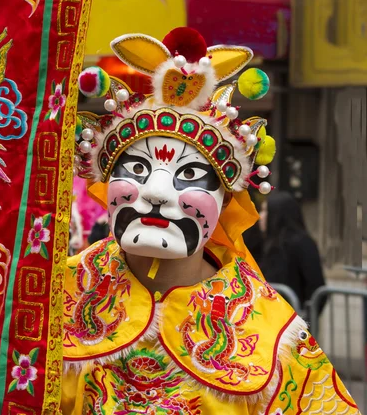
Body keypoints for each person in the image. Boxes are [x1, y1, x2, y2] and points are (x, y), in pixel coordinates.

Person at [61, 28, 360, 414]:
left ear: (227, 200)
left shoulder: (274, 336)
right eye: (136, 167)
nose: (156, 192)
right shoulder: (55, 296)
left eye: (189, 176)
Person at [258, 191, 326, 319]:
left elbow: (316, 288)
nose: (260, 216)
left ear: (277, 214)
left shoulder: (302, 243)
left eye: (265, 211)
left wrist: (305, 321)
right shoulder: (269, 244)